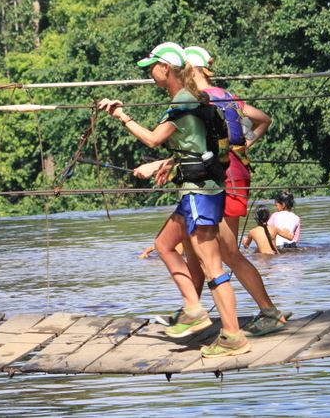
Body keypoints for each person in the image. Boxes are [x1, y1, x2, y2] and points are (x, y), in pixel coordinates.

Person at [97, 42, 250, 358]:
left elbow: (154, 139)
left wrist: (122, 116)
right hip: (200, 189)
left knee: (212, 266)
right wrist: (169, 164)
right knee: (164, 244)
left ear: (165, 68)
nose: (149, 73)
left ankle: (232, 335)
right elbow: (194, 148)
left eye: (151, 68)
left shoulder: (182, 103)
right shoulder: (194, 99)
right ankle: (192, 308)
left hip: (199, 193)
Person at [183, 45, 287, 334]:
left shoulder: (202, 101)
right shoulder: (227, 96)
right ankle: (190, 310)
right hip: (237, 173)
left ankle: (269, 312)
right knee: (205, 247)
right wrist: (243, 146)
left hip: (226, 178)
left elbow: (200, 144)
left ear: (190, 70)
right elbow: (263, 119)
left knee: (227, 252)